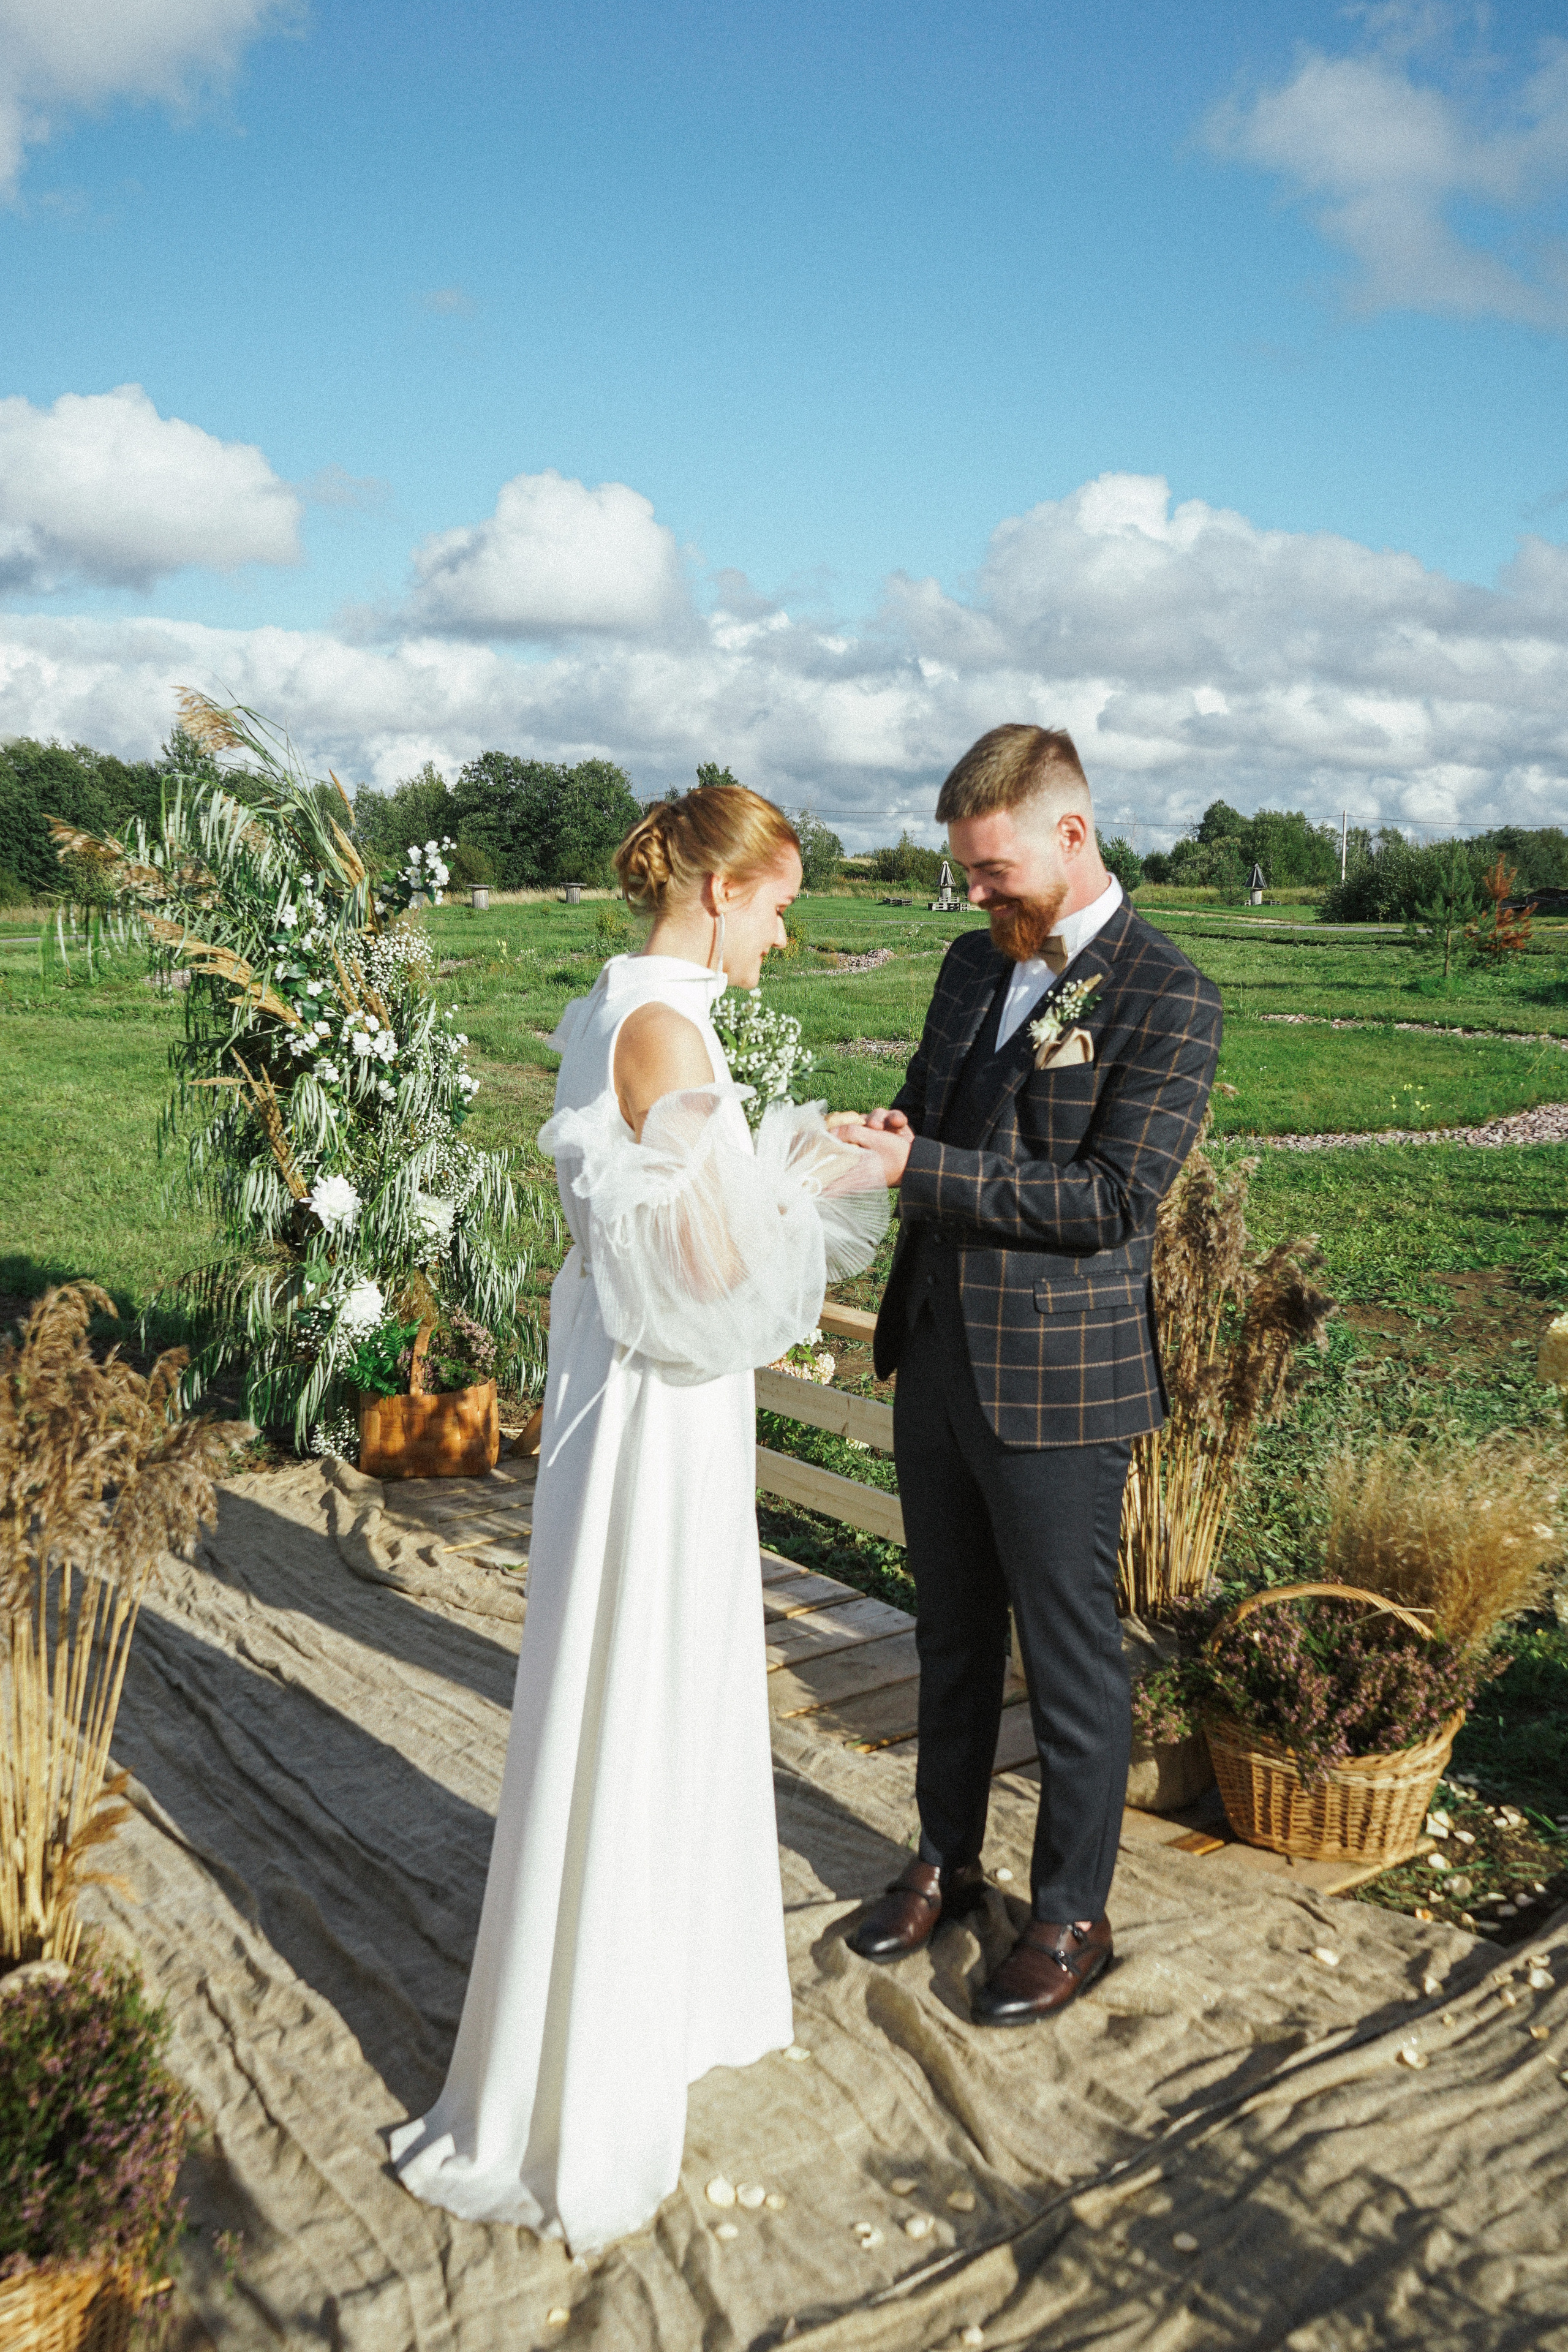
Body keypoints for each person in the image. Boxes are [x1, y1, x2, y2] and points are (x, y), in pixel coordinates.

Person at [391, 787, 888, 2250]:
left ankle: (652, 1987)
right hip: (658, 1401)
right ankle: (596, 2053)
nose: (786, 935)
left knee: (652, 1680)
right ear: (721, 893)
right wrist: (834, 1174)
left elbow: (678, 1229)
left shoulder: (623, 1001)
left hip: (636, 1385)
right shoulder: (664, 1027)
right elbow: (713, 1280)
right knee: (641, 1681)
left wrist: (789, 1163)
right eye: (781, 904)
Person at [837, 726, 1221, 2025]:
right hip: (935, 1354)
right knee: (945, 1631)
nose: (974, 895)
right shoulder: (965, 964)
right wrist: (892, 1129)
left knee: (1068, 1664)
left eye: (992, 869)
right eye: (963, 873)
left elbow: (1111, 1201)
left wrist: (918, 1172)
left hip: (1060, 1385)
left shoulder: (1169, 995)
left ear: (1070, 832)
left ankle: (1071, 1911)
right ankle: (942, 1861)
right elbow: (932, 1107)